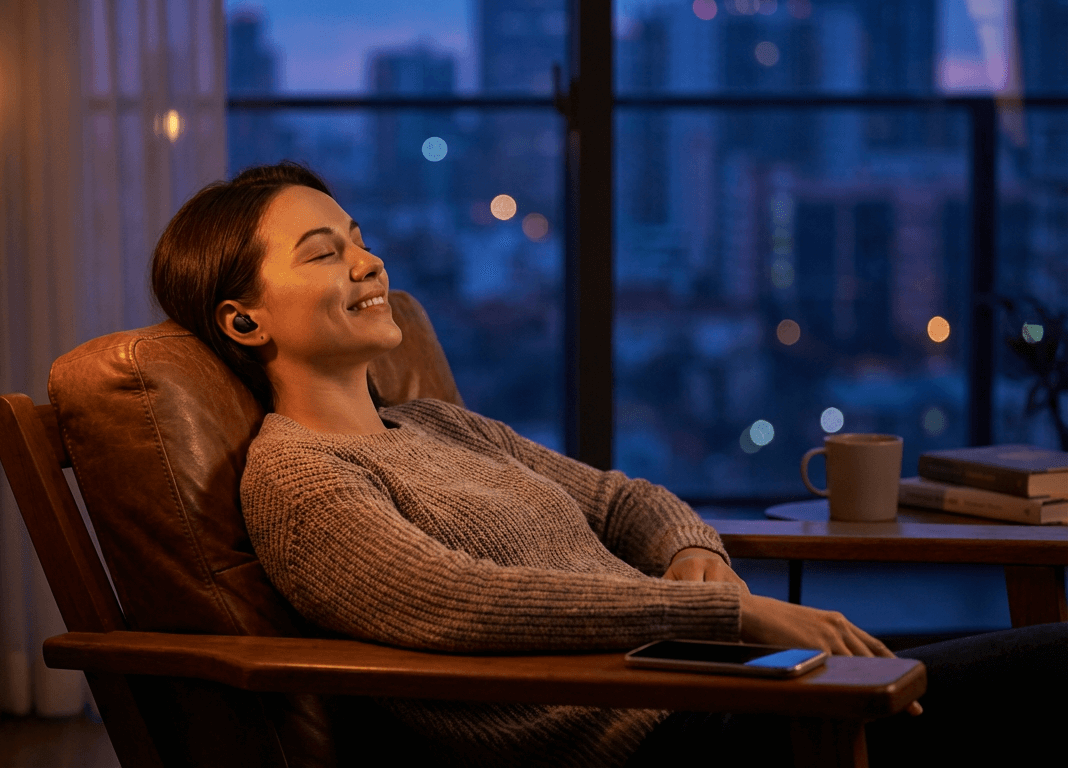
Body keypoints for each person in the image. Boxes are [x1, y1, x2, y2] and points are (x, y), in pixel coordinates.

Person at [150, 161, 1067, 768]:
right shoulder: (300, 480)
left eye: (358, 237)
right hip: (651, 744)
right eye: (326, 254)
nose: (369, 262)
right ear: (244, 320)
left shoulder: (434, 425)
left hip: (716, 686)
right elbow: (464, 603)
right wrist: (729, 610)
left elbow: (623, 498)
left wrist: (690, 553)